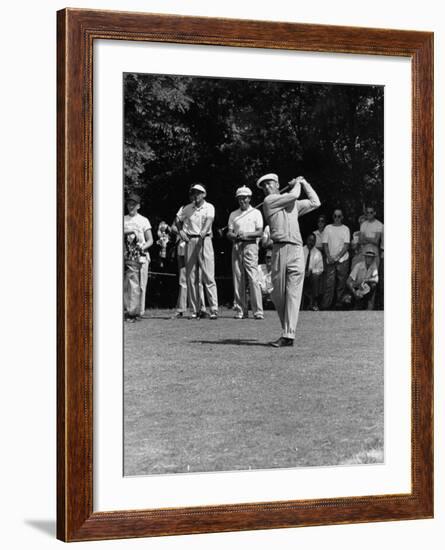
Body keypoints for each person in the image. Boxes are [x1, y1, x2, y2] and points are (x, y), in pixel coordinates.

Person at [257, 173, 321, 347]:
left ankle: (288, 335)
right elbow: (293, 195)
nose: (267, 188)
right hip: (279, 250)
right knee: (277, 294)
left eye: (269, 184)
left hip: (296, 249)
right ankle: (287, 329)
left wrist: (305, 182)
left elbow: (316, 202)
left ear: (277, 184)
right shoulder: (269, 201)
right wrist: (298, 183)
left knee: (293, 293)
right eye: (263, 187)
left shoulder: (293, 204)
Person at [173, 183, 218, 319]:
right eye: (194, 193)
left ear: (204, 194)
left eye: (198, 193)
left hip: (205, 240)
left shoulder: (209, 207)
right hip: (190, 241)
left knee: (208, 275)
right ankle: (195, 309)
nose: (196, 195)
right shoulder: (187, 208)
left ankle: (214, 309)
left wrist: (203, 232)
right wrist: (181, 231)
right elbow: (177, 219)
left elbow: (209, 221)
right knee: (191, 277)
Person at [227, 186, 264, 319]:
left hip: (251, 246)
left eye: (244, 198)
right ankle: (240, 310)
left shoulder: (256, 213)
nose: (242, 201)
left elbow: (260, 232)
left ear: (249, 198)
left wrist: (246, 234)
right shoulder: (233, 214)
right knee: (238, 278)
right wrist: (234, 236)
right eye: (240, 198)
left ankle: (258, 311)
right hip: (236, 246)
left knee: (253, 278)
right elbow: (229, 233)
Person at [123, 193, 153, 321]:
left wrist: (142, 247)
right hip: (126, 256)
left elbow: (150, 240)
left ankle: (139, 311)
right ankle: (128, 310)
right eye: (129, 203)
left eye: (134, 204)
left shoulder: (143, 220)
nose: (131, 206)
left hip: (141, 256)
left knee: (141, 285)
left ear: (138, 206)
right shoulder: (123, 219)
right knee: (127, 285)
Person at [171, 235, 207, 319]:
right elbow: (174, 226)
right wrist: (181, 232)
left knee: (198, 279)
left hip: (196, 246)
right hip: (183, 249)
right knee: (183, 280)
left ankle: (201, 308)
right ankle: (181, 309)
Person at [321, 209, 350, 309]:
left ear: (342, 217)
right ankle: (326, 306)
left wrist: (337, 257)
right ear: (332, 217)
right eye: (335, 216)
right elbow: (325, 244)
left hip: (342, 260)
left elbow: (346, 245)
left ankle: (339, 305)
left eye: (339, 216)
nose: (337, 218)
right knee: (329, 284)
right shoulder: (327, 228)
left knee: (341, 284)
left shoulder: (346, 229)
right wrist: (329, 257)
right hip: (330, 260)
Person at [344, 245, 379, 310]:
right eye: (368, 257)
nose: (369, 259)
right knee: (347, 300)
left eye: (371, 257)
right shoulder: (358, 266)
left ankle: (367, 304)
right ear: (365, 258)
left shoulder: (374, 266)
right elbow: (348, 281)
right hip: (355, 287)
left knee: (373, 285)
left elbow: (376, 279)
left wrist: (365, 280)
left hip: (365, 288)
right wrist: (354, 292)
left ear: (373, 258)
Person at [302, 233, 324, 310]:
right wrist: (303, 272)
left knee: (315, 277)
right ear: (306, 240)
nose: (311, 242)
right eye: (309, 240)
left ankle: (314, 302)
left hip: (311, 276)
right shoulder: (300, 251)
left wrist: (311, 271)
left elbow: (321, 269)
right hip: (301, 275)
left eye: (313, 241)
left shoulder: (318, 253)